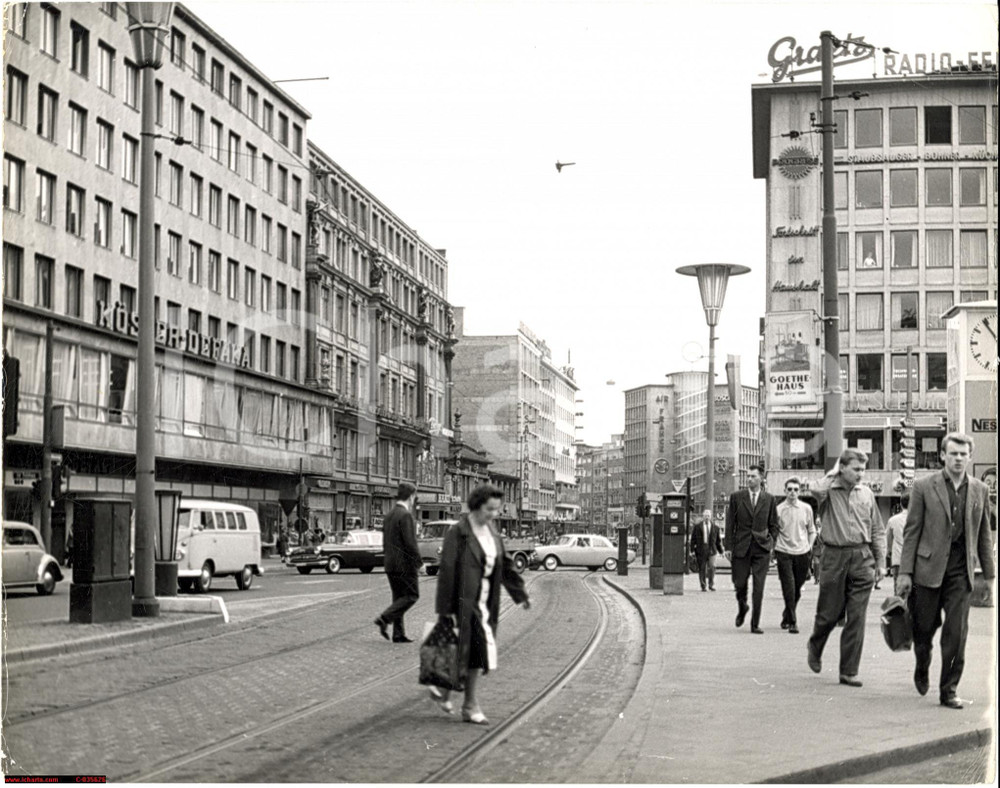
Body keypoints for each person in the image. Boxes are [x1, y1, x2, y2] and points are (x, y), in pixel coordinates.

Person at [897, 433, 996, 710]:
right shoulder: (924, 486)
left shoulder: (979, 489)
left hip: (960, 574)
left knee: (956, 634)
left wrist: (989, 577)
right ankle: (922, 662)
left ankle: (949, 690)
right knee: (923, 630)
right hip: (926, 571)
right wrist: (905, 573)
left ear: (969, 457)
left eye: (963, 454)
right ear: (942, 455)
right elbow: (912, 531)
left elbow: (984, 536)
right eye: (953, 454)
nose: (958, 459)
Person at [429, 483, 530, 724]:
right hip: (465, 602)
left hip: (487, 600)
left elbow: (504, 565)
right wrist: (445, 611)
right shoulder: (459, 532)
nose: (493, 514)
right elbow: (447, 572)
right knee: (478, 651)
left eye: (496, 510)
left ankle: (444, 691)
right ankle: (469, 705)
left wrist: (520, 593)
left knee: (473, 652)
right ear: (476, 506)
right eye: (489, 509)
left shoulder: (492, 531)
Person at [806, 449, 886, 688]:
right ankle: (815, 645)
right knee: (829, 614)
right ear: (843, 468)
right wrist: (833, 473)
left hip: (862, 557)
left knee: (857, 617)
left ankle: (849, 671)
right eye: (856, 469)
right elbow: (814, 488)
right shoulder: (828, 492)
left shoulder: (867, 494)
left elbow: (877, 531)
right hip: (834, 556)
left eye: (863, 469)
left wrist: (880, 562)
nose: (861, 474)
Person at [725, 464, 780, 633]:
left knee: (759, 587)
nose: (749, 479)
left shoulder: (769, 499)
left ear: (762, 479)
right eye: (748, 476)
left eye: (753, 476)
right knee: (739, 583)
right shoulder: (737, 497)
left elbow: (774, 525)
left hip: (761, 549)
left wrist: (771, 543)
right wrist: (728, 546)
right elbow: (730, 524)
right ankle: (743, 607)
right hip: (741, 547)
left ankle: (755, 624)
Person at [375, 482, 422, 644]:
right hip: (404, 566)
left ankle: (398, 634)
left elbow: (385, 541)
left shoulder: (389, 515)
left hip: (390, 564)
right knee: (411, 595)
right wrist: (419, 563)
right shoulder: (406, 515)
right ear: (410, 496)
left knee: (399, 598)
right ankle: (384, 618)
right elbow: (410, 543)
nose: (414, 500)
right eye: (414, 496)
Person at [774, 477, 816, 634]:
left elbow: (812, 530)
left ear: (800, 491)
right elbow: (774, 531)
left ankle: (787, 614)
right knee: (788, 586)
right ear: (785, 491)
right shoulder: (778, 510)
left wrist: (809, 547)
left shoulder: (806, 509)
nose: (792, 492)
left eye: (796, 489)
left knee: (797, 587)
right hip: (784, 551)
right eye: (790, 489)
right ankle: (793, 621)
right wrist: (775, 547)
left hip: (802, 553)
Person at [690, 508, 723, 592]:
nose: (707, 517)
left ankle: (711, 585)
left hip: (712, 550)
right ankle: (703, 585)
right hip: (701, 549)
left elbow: (718, 541)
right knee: (702, 568)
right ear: (703, 516)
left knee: (712, 567)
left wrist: (721, 551)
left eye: (708, 516)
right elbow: (693, 539)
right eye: (705, 516)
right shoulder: (697, 527)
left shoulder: (716, 528)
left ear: (711, 517)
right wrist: (692, 550)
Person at [886, 490, 910, 593]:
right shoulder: (916, 519)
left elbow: (888, 539)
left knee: (897, 587)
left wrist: (889, 551)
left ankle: (898, 606)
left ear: (901, 504)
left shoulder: (892, 520)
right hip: (912, 560)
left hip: (897, 558)